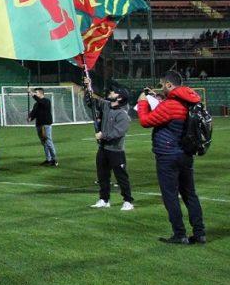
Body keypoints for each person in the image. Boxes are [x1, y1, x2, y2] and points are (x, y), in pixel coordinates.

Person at [136, 71, 206, 244]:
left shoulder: (170, 105)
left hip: (168, 155)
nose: (161, 88)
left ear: (169, 85)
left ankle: (179, 234)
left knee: (170, 196)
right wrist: (159, 98)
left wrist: (142, 102)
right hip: (186, 153)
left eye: (162, 85)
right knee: (190, 194)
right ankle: (200, 233)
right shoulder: (190, 101)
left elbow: (145, 121)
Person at [83, 76, 134, 210]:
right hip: (103, 149)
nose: (111, 92)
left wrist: (103, 135)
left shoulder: (123, 115)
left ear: (120, 98)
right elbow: (91, 101)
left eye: (114, 92)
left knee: (121, 177)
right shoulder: (106, 105)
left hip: (116, 151)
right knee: (102, 176)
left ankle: (128, 201)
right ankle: (104, 199)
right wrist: (87, 86)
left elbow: (118, 132)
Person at [28, 88, 57, 166]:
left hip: (46, 124)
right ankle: (48, 159)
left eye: (36, 92)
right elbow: (34, 113)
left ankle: (54, 159)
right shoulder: (36, 104)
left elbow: (41, 102)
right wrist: (30, 117)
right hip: (39, 124)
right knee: (44, 143)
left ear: (41, 93)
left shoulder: (46, 101)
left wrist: (32, 94)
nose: (35, 93)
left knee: (48, 142)